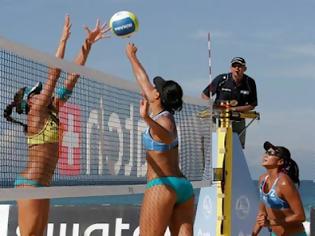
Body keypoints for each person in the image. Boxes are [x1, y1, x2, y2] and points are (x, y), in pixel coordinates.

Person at [3, 15, 110, 236]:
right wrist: (63, 40)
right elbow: (55, 73)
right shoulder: (36, 113)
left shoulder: (52, 109)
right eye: (37, 92)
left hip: (42, 185)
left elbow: (73, 76)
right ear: (30, 101)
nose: (42, 93)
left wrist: (88, 44)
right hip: (30, 184)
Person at [126, 43, 195, 236]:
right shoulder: (161, 111)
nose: (149, 87)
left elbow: (167, 136)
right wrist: (131, 56)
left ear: (157, 95)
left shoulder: (164, 120)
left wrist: (146, 119)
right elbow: (142, 79)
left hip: (161, 186)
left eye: (154, 87)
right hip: (182, 186)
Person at [201, 57, 257, 148]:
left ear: (245, 69)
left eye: (240, 66)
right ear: (230, 68)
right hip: (218, 118)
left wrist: (232, 109)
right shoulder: (221, 79)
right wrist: (213, 107)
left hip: (238, 119)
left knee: (237, 148)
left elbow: (252, 105)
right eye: (234, 66)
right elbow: (205, 95)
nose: (237, 69)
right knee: (216, 146)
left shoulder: (250, 82)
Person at [252, 141, 306, 236]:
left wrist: (271, 222)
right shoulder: (262, 179)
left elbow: (300, 216)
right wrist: (254, 234)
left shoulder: (284, 182)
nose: (266, 155)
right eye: (266, 152)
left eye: (271, 154)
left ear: (280, 162)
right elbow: (262, 213)